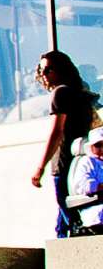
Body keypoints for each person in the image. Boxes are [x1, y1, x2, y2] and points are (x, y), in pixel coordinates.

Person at [33, 50, 97, 237]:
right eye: (41, 70)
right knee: (67, 217)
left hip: (63, 162)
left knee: (68, 213)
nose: (44, 75)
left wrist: (40, 167)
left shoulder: (60, 93)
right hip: (82, 161)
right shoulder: (82, 92)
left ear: (60, 70)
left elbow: (57, 132)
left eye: (48, 69)